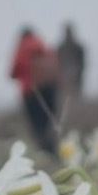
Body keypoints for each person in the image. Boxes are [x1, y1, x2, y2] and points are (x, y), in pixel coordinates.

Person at [9, 26, 60, 155]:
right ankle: (55, 150)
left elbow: (13, 72)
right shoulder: (44, 46)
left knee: (37, 126)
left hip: (31, 92)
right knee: (50, 123)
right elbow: (56, 66)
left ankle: (45, 153)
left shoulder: (22, 49)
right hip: (50, 90)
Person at [56, 23, 86, 101]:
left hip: (76, 81)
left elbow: (82, 64)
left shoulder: (78, 48)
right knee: (64, 99)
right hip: (64, 81)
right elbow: (57, 64)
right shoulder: (61, 48)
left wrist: (75, 74)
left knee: (75, 99)